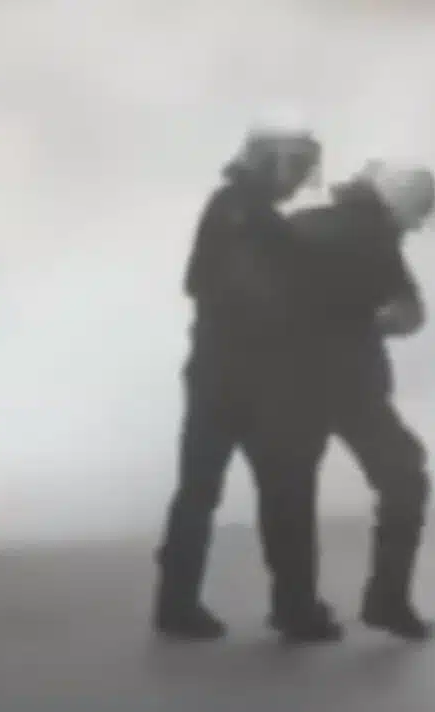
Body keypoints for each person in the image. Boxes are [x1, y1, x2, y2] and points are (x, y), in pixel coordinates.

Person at [153, 115, 343, 643]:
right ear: (271, 163)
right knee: (285, 493)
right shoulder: (248, 217)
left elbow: (204, 284)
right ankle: (294, 608)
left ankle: (177, 604)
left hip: (218, 376)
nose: (300, 180)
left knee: (201, 493)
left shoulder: (236, 210)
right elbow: (223, 287)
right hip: (253, 383)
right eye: (297, 167)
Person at [280, 160, 435, 641]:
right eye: (415, 216)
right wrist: (369, 326)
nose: (414, 228)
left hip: (284, 379)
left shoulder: (300, 222)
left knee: (290, 489)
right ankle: (387, 600)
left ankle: (294, 609)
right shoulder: (377, 242)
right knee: (404, 476)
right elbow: (410, 315)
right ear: (399, 207)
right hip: (350, 384)